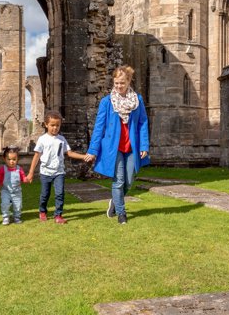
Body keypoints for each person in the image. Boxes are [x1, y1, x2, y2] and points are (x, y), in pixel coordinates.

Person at [86, 65, 149, 224]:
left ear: (128, 81)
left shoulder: (137, 100)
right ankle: (122, 214)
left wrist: (144, 146)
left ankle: (115, 202)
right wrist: (93, 150)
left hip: (132, 147)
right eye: (116, 83)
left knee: (129, 181)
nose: (119, 86)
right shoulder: (107, 102)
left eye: (122, 83)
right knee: (119, 180)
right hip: (114, 148)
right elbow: (99, 127)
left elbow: (142, 123)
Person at [25, 111, 93, 224]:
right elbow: (36, 156)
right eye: (52, 125)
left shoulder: (62, 139)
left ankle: (58, 215)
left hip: (59, 172)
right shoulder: (42, 139)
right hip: (45, 172)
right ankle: (42, 211)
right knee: (45, 194)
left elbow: (70, 153)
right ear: (46, 125)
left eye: (57, 125)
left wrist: (84, 156)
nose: (55, 128)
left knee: (60, 193)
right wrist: (31, 173)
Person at [0, 146, 28, 225]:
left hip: (17, 192)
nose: (11, 162)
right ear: (4, 159)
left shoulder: (19, 169)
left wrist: (26, 179)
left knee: (18, 205)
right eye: (9, 159)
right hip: (6, 191)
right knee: (5, 204)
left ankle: (16, 217)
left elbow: (23, 178)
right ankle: (6, 217)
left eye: (14, 159)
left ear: (17, 159)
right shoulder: (3, 169)